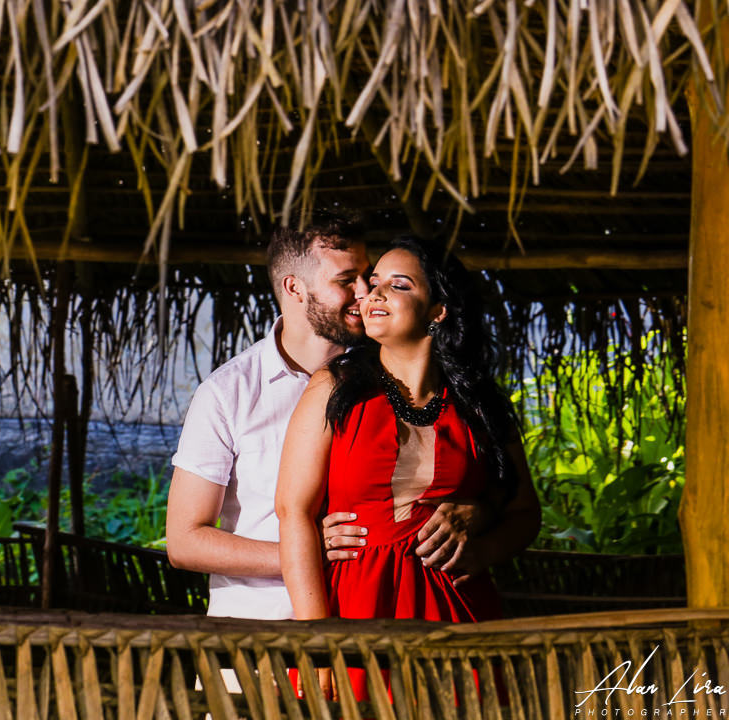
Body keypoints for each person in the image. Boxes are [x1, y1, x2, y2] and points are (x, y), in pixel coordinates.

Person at [167, 219, 488, 621]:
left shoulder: (387, 380)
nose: (364, 292)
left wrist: (478, 512)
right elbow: (184, 542)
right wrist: (305, 551)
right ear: (294, 288)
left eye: (367, 277)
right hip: (260, 627)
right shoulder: (228, 392)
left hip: (370, 610)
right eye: (347, 280)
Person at [276, 234, 541, 696]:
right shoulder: (334, 387)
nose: (373, 294)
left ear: (438, 310)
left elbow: (524, 513)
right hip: (356, 611)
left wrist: (482, 544)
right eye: (374, 282)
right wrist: (316, 638)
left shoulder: (479, 405)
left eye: (398, 285)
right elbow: (293, 512)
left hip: (458, 615)